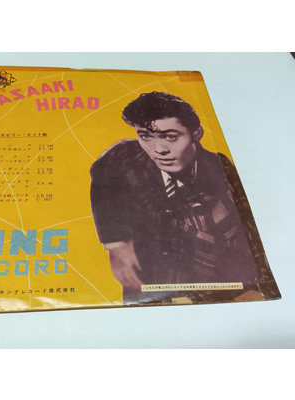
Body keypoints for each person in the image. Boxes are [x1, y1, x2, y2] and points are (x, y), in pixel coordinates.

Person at [90, 91, 277, 305]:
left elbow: (246, 240)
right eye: (145, 136)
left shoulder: (220, 172)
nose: (159, 150)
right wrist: (115, 243)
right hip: (147, 287)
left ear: (196, 133)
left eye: (171, 137)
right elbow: (105, 168)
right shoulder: (127, 156)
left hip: (212, 286)